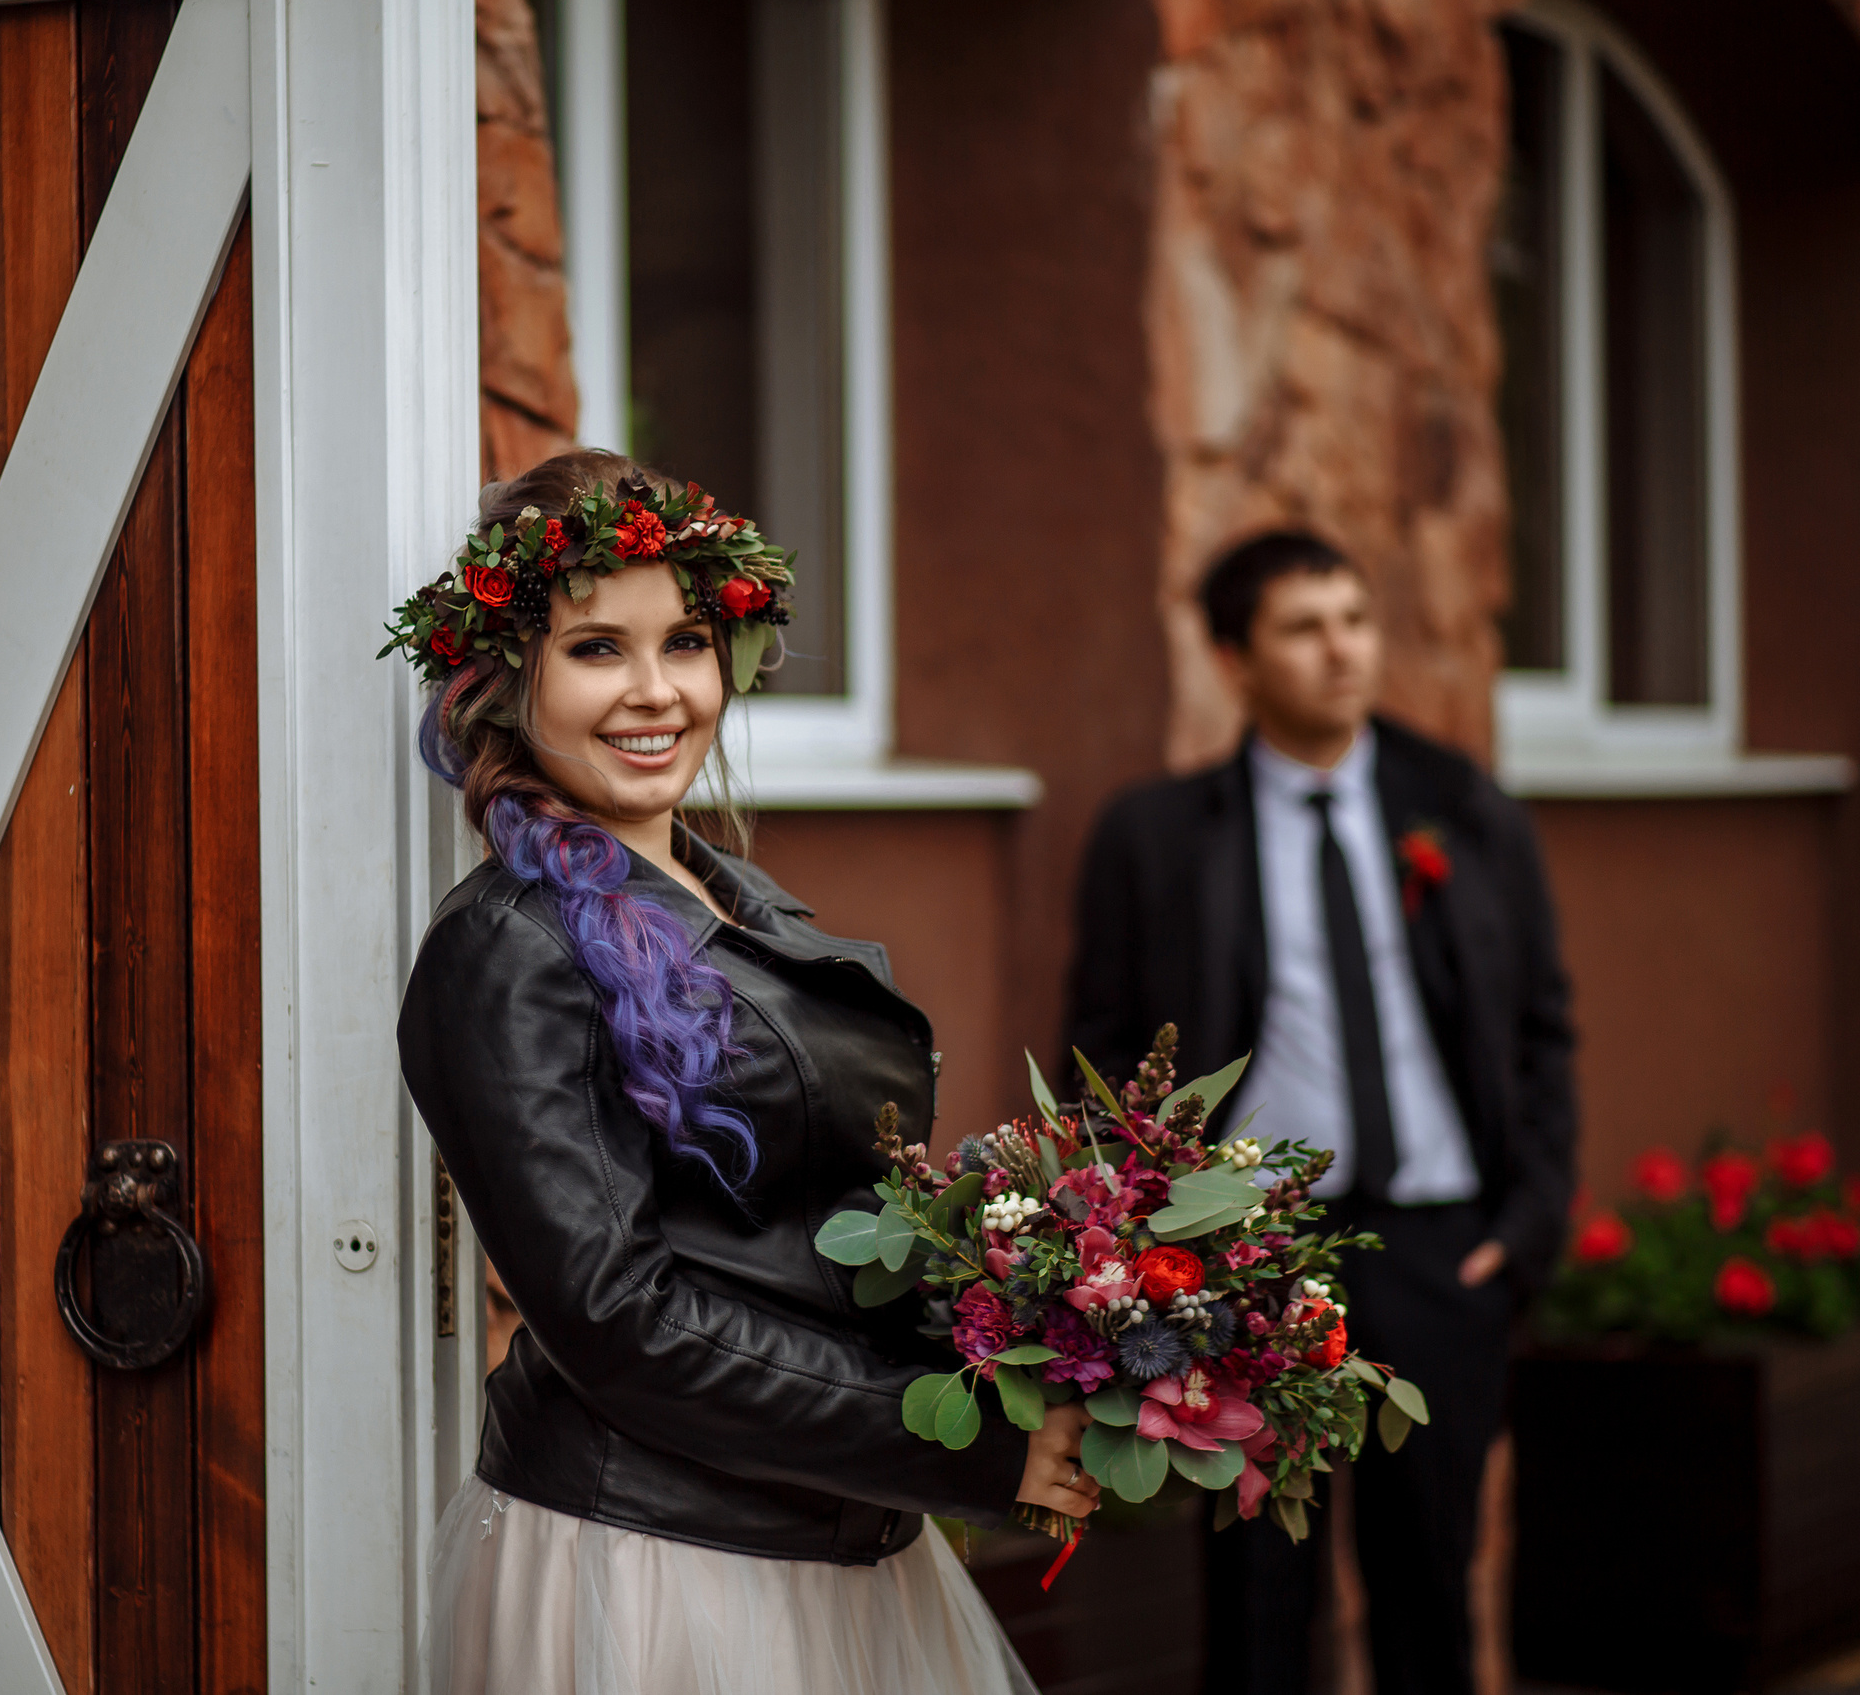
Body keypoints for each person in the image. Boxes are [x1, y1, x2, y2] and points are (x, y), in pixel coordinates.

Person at [394, 450, 1091, 1695]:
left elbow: (802, 1224)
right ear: (511, 678)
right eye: (597, 648)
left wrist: (1040, 1315)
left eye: (688, 643)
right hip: (663, 1564)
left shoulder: (722, 895)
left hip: (833, 1526)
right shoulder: (505, 947)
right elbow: (618, 1322)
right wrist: (967, 1451)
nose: (654, 692)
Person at [1065, 531, 1576, 1695]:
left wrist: (1531, 1220)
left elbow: (1542, 1027)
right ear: (1232, 655)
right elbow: (1098, 1055)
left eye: (1353, 618)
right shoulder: (1153, 836)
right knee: (1256, 1593)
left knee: (1429, 1583)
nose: (1341, 651)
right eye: (1304, 627)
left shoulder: (1461, 807)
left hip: (1448, 1248)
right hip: (1250, 1258)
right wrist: (1143, 1250)